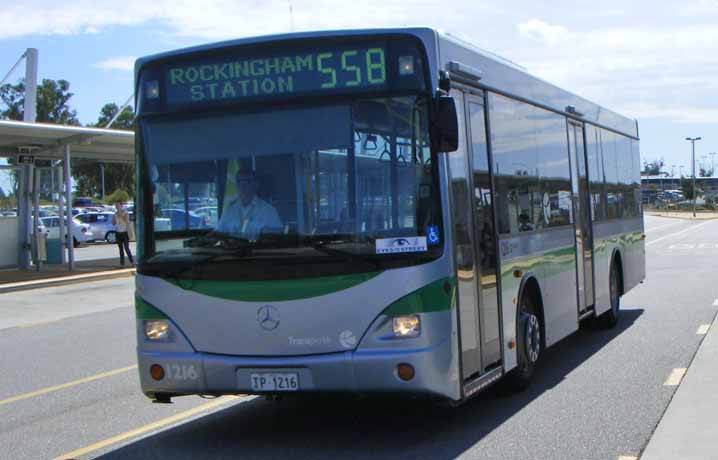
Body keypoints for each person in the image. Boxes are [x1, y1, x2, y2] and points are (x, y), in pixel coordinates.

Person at [215, 169, 281, 240]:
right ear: (236, 185)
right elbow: (219, 233)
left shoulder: (268, 210)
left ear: (256, 184)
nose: (243, 185)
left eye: (248, 181)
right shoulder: (230, 210)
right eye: (240, 181)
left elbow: (277, 236)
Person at [112, 200, 134, 266]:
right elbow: (113, 223)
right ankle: (122, 263)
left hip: (124, 233)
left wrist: (121, 215)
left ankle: (132, 261)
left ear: (121, 206)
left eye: (118, 205)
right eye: (116, 206)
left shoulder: (126, 213)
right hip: (118, 233)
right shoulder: (115, 214)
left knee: (126, 248)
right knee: (121, 249)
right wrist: (114, 217)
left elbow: (126, 221)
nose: (117, 207)